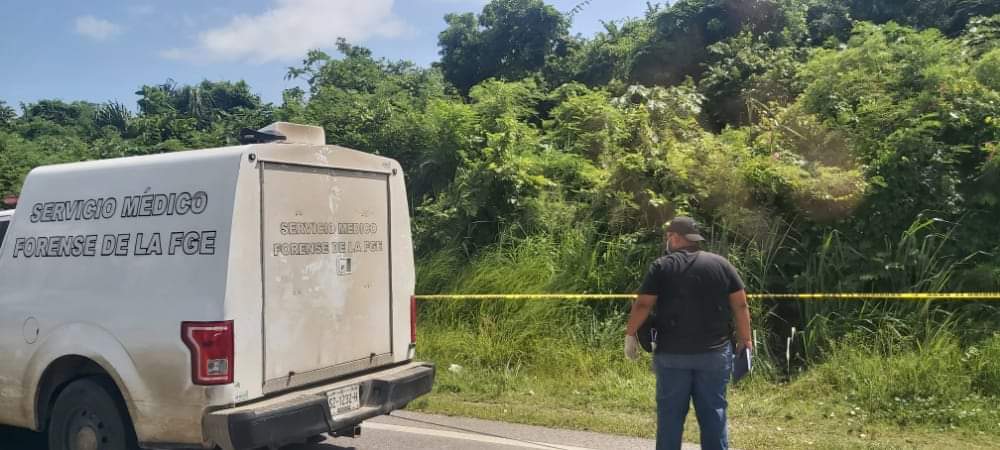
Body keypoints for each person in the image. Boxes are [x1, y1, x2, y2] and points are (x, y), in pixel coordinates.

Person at [624, 217, 752, 450]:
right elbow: (741, 305)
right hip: (714, 354)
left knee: (670, 416)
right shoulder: (722, 264)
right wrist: (746, 341)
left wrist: (630, 334)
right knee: (714, 413)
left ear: (675, 237)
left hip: (672, 355)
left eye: (668, 237)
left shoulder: (662, 266)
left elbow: (643, 305)